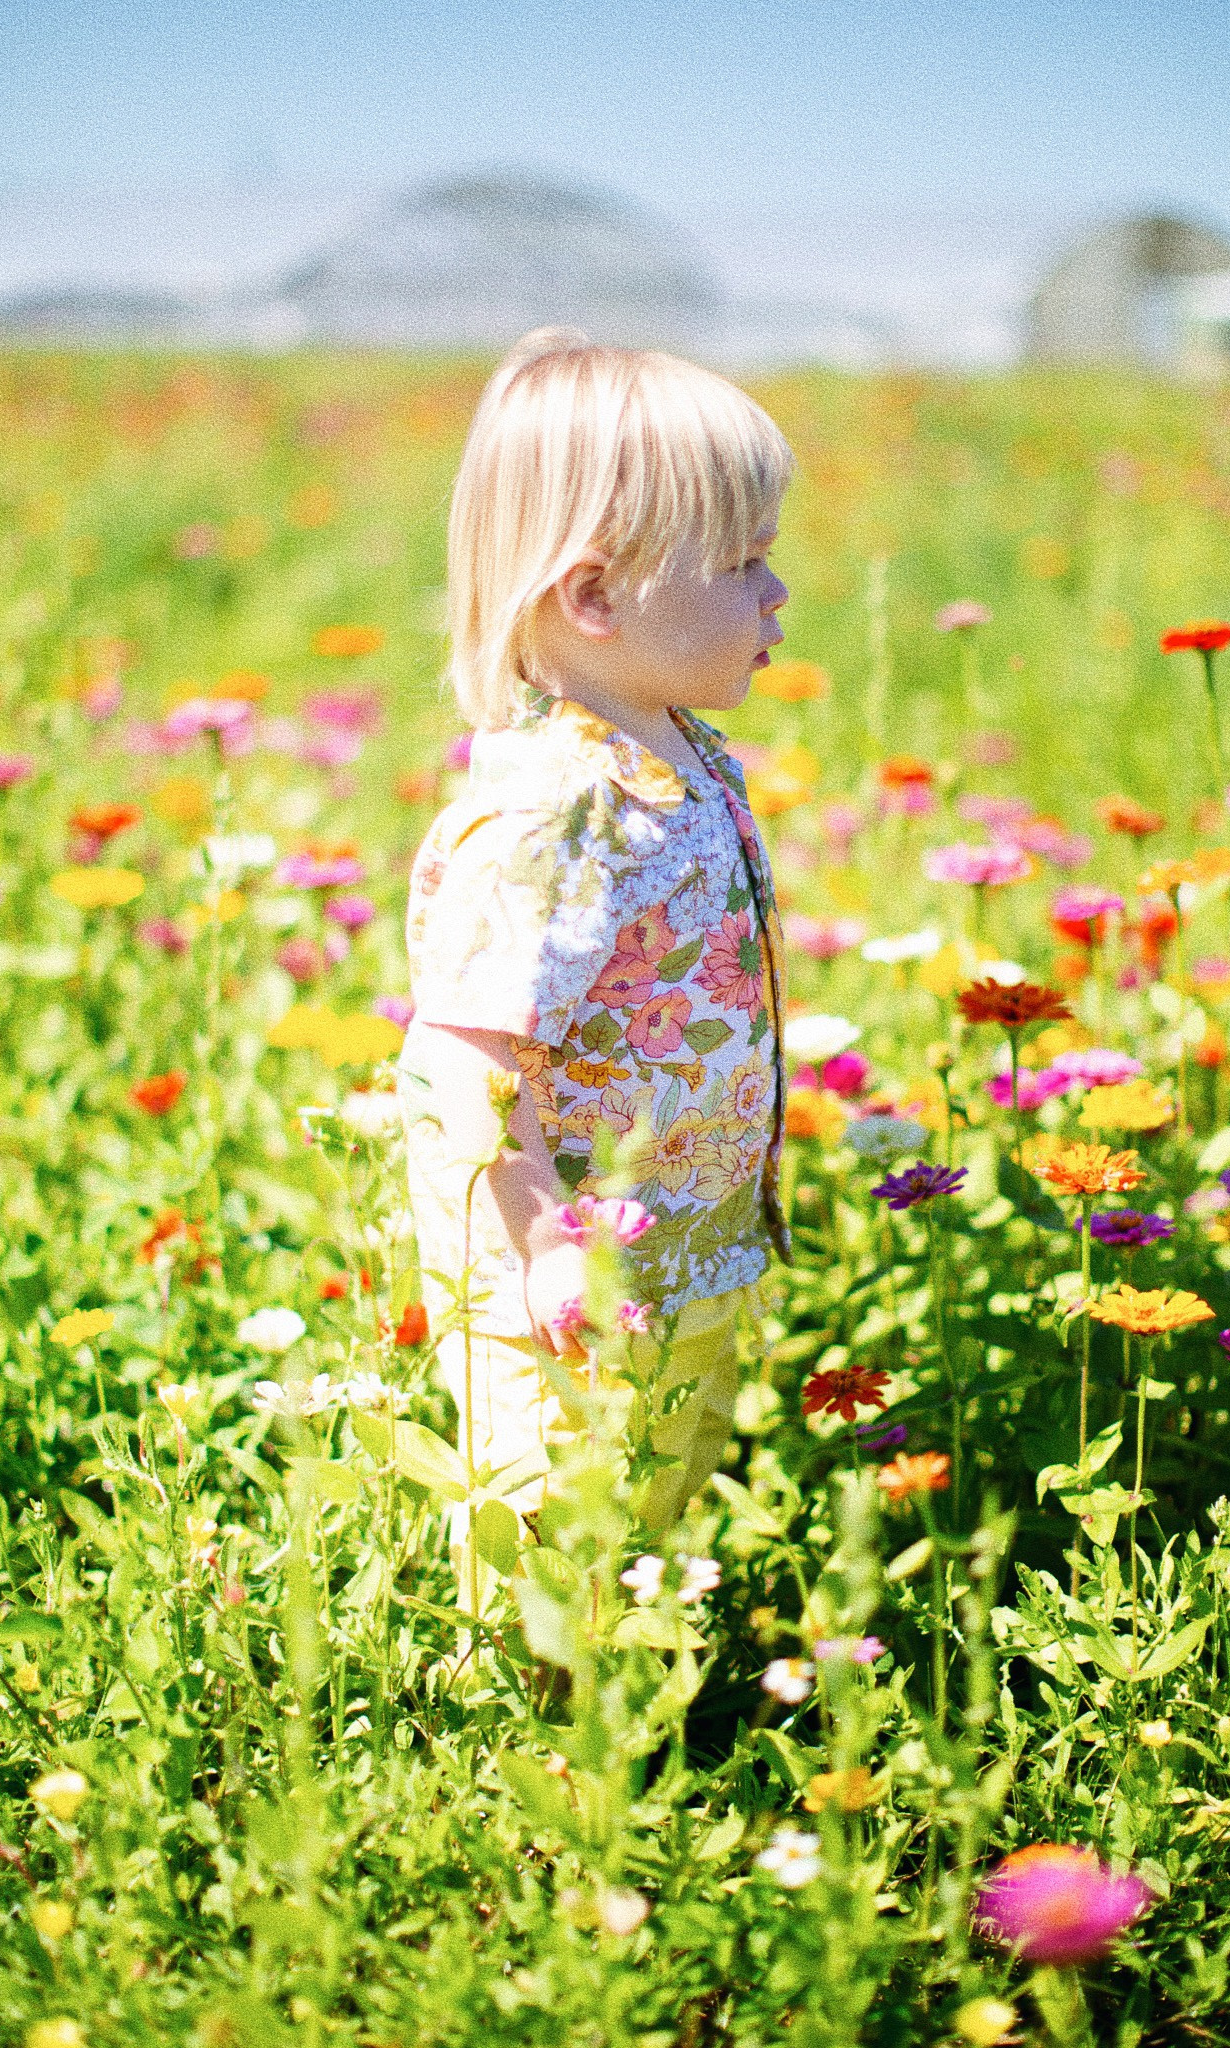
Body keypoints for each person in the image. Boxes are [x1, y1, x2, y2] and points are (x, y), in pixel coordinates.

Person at [399, 327, 793, 1595]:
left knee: (660, 1482)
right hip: (562, 1279)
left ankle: (625, 1690)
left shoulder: (672, 748)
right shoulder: (553, 815)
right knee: (554, 1523)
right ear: (596, 596)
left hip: (681, 1240)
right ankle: (520, 1730)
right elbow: (460, 1061)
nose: (777, 592)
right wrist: (541, 1246)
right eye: (742, 563)